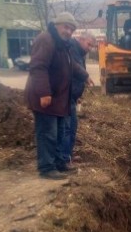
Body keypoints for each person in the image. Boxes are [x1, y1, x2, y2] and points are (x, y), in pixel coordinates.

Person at [24, 12, 90, 180]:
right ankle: (46, 167)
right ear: (56, 25)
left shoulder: (63, 44)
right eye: (66, 27)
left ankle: (60, 164)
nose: (68, 31)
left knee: (60, 132)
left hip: (59, 99)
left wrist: (85, 76)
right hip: (46, 98)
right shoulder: (46, 39)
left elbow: (71, 65)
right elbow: (38, 67)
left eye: (71, 29)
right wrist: (44, 92)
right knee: (48, 133)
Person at [62, 32, 96, 165]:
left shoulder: (80, 52)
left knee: (72, 127)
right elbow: (74, 69)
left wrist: (78, 95)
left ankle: (68, 155)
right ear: (81, 39)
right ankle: (64, 159)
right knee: (66, 128)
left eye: (92, 46)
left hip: (72, 96)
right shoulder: (72, 49)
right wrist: (86, 77)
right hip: (65, 95)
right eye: (89, 44)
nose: (90, 48)